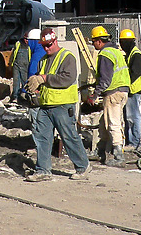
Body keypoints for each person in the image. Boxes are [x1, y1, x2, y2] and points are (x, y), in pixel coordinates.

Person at [24, 27, 91, 181]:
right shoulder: (43, 59)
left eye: (49, 45)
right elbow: (41, 79)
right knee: (42, 137)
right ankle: (43, 170)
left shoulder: (67, 57)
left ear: (55, 41)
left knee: (68, 137)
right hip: (46, 104)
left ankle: (83, 166)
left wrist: (44, 78)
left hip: (62, 105)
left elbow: (67, 78)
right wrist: (35, 85)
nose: (47, 48)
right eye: (44, 46)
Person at [89, 25, 131, 165]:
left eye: (93, 41)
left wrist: (95, 95)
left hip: (113, 92)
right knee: (104, 122)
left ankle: (119, 157)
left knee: (113, 123)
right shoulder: (116, 51)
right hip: (122, 90)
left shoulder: (105, 54)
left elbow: (105, 79)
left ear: (99, 41)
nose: (93, 44)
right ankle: (100, 151)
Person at [119, 28, 141, 151]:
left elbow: (135, 73)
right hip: (131, 90)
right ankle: (130, 141)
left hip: (133, 90)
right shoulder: (131, 53)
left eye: (122, 42)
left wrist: (125, 85)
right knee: (128, 117)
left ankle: (134, 142)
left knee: (132, 117)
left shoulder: (136, 54)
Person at [8, 33, 31, 103]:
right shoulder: (18, 43)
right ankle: (15, 96)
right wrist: (10, 63)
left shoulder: (30, 46)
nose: (26, 40)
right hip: (16, 65)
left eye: (27, 39)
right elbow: (13, 53)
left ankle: (26, 96)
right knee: (16, 81)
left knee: (25, 81)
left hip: (26, 66)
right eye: (25, 39)